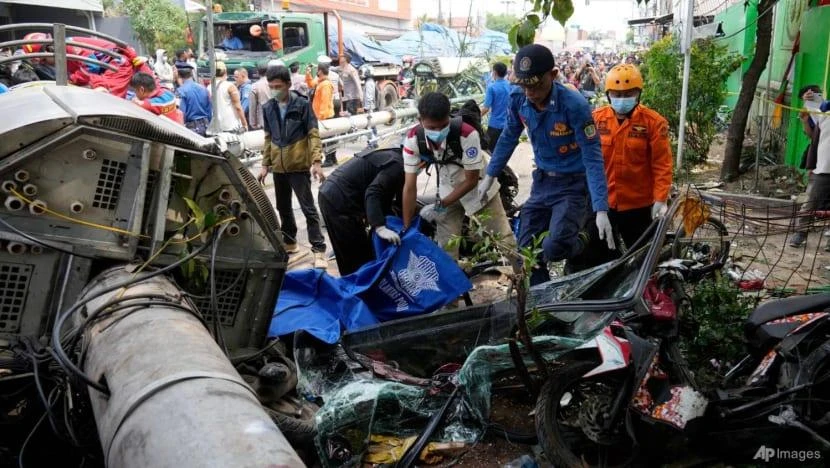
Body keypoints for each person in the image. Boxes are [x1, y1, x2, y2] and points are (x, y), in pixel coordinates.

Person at [478, 44, 613, 286]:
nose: (530, 92)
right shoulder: (518, 98)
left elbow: (592, 155)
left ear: (553, 75)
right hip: (542, 182)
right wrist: (490, 174)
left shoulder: (574, 105)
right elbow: (509, 135)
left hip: (572, 185)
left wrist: (601, 207)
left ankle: (583, 237)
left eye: (536, 85)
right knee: (526, 250)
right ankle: (541, 298)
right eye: (524, 85)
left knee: (554, 247)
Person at [574, 64, 672, 269]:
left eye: (628, 93)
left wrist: (661, 198)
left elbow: (662, 164)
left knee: (644, 258)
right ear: (609, 95)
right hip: (602, 202)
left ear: (639, 93)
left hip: (638, 204)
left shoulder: (653, 123)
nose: (622, 98)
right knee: (594, 255)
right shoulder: (596, 119)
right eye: (617, 94)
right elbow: (581, 156)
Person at [402, 92, 515, 261]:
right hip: (448, 190)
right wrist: (406, 227)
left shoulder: (466, 134)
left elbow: (471, 181)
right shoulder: (413, 140)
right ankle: (455, 286)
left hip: (479, 190)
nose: (438, 132)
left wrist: (439, 206)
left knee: (505, 241)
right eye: (432, 128)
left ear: (449, 117)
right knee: (446, 248)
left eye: (443, 126)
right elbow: (409, 187)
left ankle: (522, 279)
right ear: (420, 120)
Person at [257, 65, 328, 268]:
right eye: (271, 86)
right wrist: (265, 165)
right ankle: (290, 242)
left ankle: (319, 249)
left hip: (298, 166)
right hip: (279, 167)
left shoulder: (302, 105)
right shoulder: (268, 108)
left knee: (308, 208)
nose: (274, 90)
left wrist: (316, 162)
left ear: (288, 84)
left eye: (278, 86)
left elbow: (313, 134)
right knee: (283, 208)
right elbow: (268, 138)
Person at [318, 147, 405, 276]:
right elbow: (373, 192)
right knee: (356, 257)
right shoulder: (398, 165)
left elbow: (392, 197)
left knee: (352, 253)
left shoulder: (392, 155)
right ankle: (358, 291)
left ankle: (358, 287)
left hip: (332, 191)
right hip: (339, 198)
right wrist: (379, 226)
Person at [790, 86, 830, 248]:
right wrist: (809, 99)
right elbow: (812, 133)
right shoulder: (825, 113)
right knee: (811, 201)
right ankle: (801, 233)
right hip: (824, 167)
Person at [480, 62, 511, 152]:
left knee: (489, 150)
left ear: (494, 72)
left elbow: (486, 108)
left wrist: (476, 116)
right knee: (502, 150)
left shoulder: (492, 87)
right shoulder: (510, 86)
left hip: (495, 125)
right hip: (507, 124)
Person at [175, 63, 211, 136]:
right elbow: (210, 111)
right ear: (191, 74)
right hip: (206, 126)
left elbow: (181, 113)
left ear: (178, 75)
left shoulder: (180, 91)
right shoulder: (203, 88)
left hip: (191, 128)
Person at [212, 62, 247, 132]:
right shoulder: (230, 86)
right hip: (231, 126)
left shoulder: (209, 87)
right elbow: (238, 107)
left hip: (216, 126)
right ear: (225, 71)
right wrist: (244, 124)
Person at [248, 62, 271, 130]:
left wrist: (253, 123)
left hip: (263, 122)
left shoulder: (255, 86)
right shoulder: (276, 84)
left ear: (258, 72)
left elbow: (252, 106)